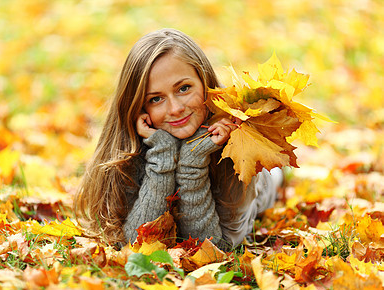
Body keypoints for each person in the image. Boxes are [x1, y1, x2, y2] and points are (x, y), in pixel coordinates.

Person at [74, 28, 282, 250]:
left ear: (205, 82)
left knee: (274, 175)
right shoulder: (129, 151)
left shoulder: (236, 145)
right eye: (155, 99)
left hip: (263, 186)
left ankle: (281, 174)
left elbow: (215, 248)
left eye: (184, 88)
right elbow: (132, 244)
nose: (174, 109)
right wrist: (162, 158)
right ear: (138, 108)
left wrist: (193, 161)